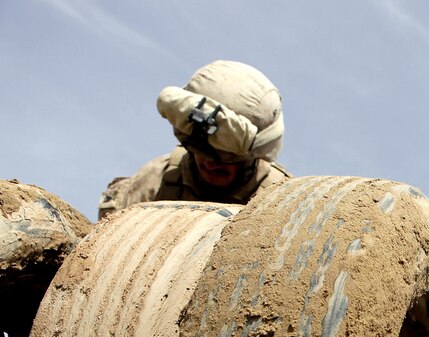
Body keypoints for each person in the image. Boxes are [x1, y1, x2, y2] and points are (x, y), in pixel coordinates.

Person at [98, 60, 290, 220]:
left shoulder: (281, 202)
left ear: (253, 156)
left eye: (227, 157)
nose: (210, 163)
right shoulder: (158, 180)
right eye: (200, 150)